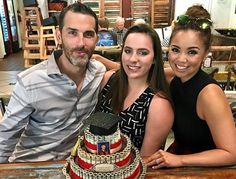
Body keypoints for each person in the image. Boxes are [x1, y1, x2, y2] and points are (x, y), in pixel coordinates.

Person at [0, 2, 106, 163]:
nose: (81, 43)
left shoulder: (98, 72)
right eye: (72, 33)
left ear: (97, 38)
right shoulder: (30, 81)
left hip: (73, 166)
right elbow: (5, 137)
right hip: (30, 165)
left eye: (88, 34)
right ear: (58, 36)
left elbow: (129, 70)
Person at [145, 5, 236, 168]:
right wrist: (101, 63)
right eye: (175, 50)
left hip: (207, 170)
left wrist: (180, 160)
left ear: (206, 52)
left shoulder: (210, 95)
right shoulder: (172, 77)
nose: (181, 59)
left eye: (192, 52)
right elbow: (142, 69)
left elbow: (231, 153)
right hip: (178, 158)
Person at [96, 24, 174, 157]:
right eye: (128, 51)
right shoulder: (109, 80)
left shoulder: (158, 105)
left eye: (143, 53)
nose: (133, 59)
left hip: (130, 175)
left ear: (155, 58)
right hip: (92, 168)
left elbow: (145, 161)